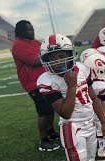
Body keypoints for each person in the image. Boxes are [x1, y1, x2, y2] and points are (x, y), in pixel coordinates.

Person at [37, 34, 105, 161]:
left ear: (70, 54)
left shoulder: (82, 69)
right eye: (53, 58)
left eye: (62, 55)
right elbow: (66, 113)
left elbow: (94, 99)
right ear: (46, 60)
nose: (58, 61)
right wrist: (71, 86)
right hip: (72, 127)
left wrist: (102, 122)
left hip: (90, 124)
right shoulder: (48, 81)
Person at [11, 20, 60, 151]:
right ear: (21, 32)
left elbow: (45, 54)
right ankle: (44, 140)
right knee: (44, 111)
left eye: (32, 28)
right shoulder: (18, 46)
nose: (32, 31)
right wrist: (51, 54)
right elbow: (35, 61)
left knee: (51, 107)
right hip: (33, 83)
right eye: (28, 29)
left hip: (45, 80)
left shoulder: (36, 42)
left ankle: (50, 131)